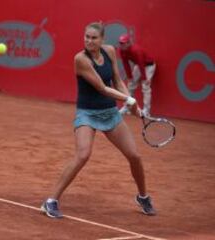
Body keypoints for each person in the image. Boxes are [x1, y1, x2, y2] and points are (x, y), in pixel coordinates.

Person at [41, 22, 156, 218]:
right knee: (83, 155)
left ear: (102, 39)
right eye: (86, 37)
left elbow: (118, 81)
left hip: (110, 112)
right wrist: (129, 99)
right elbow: (102, 88)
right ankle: (51, 201)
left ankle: (143, 196)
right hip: (87, 114)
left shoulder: (110, 51)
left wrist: (132, 106)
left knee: (134, 156)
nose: (89, 41)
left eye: (94, 38)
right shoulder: (80, 59)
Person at [118, 34, 156, 117]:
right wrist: (130, 77)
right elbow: (126, 64)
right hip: (139, 66)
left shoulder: (136, 50)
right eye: (121, 43)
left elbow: (141, 63)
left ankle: (146, 111)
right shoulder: (121, 51)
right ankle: (127, 106)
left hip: (149, 65)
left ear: (129, 43)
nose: (122, 45)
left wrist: (145, 78)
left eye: (124, 43)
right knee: (130, 85)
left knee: (145, 86)